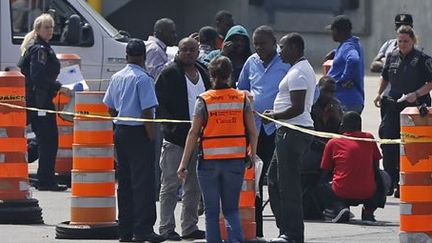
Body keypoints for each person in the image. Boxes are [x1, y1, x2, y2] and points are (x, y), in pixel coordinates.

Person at [177, 56, 258, 243]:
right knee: (231, 210)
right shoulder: (242, 99)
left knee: (212, 212)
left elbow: (193, 133)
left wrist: (183, 163)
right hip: (235, 161)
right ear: (230, 74)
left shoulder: (204, 100)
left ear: (211, 75)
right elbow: (252, 132)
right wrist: (251, 155)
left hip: (209, 163)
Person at [103, 39, 164, 243]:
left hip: (121, 131)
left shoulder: (117, 77)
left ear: (126, 56)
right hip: (139, 132)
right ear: (144, 58)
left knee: (125, 182)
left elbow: (109, 107)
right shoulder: (143, 79)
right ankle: (144, 229)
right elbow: (147, 111)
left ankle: (125, 230)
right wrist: (151, 136)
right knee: (143, 183)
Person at [237, 25, 290, 238]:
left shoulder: (286, 62)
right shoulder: (251, 62)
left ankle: (284, 231)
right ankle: (255, 231)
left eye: (263, 43)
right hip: (255, 130)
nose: (258, 47)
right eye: (255, 43)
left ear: (274, 42)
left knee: (278, 182)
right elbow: (241, 88)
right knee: (255, 183)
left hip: (277, 129)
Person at [155, 37, 209, 241]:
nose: (188, 53)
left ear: (198, 52)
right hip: (175, 140)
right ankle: (166, 227)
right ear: (178, 51)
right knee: (169, 185)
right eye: (184, 49)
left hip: (200, 140)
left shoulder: (203, 72)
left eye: (192, 50)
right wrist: (170, 126)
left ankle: (189, 227)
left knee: (194, 187)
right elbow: (159, 103)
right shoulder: (168, 73)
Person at [263, 33, 315, 243]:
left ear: (294, 47)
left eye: (282, 47)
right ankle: (285, 229)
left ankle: (293, 234)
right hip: (286, 131)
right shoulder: (296, 70)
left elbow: (297, 107)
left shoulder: (299, 72)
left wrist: (273, 116)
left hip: (293, 132)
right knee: (274, 180)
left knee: (289, 184)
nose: (279, 51)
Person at [374, 25, 432, 198]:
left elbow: (430, 82)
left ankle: (408, 181)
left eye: (406, 41)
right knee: (388, 141)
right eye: (400, 41)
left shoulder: (422, 59)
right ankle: (390, 180)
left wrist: (417, 94)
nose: (403, 44)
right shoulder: (391, 56)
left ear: (413, 41)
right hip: (393, 105)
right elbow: (384, 77)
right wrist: (378, 94)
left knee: (411, 145)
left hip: (415, 107)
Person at [18, 13, 68, 191]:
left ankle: (37, 173)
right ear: (38, 29)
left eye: (52, 27)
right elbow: (37, 76)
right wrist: (58, 87)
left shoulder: (43, 47)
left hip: (41, 100)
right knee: (49, 140)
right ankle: (46, 181)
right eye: (46, 27)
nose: (50, 30)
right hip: (39, 102)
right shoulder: (39, 49)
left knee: (43, 140)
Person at [317, 112, 384, 223]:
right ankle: (369, 211)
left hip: (342, 190)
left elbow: (325, 170)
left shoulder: (333, 142)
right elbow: (376, 165)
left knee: (321, 185)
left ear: (343, 125)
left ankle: (339, 207)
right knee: (383, 176)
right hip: (368, 191)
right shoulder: (369, 138)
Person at [145, 17, 178, 201]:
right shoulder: (154, 49)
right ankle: (156, 191)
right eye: (171, 32)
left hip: (157, 108)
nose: (175, 35)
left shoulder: (160, 50)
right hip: (151, 110)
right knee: (156, 154)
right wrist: (176, 63)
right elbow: (157, 76)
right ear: (159, 32)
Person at [370, 14, 414, 120]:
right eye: (399, 25)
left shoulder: (413, 47)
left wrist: (386, 62)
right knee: (386, 130)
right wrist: (389, 63)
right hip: (388, 94)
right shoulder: (389, 44)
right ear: (395, 27)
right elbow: (374, 65)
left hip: (407, 97)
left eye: (406, 25)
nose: (402, 28)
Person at [325, 15, 365, 114]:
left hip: (346, 101)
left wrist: (343, 79)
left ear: (340, 31)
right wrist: (335, 52)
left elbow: (353, 59)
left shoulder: (347, 46)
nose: (331, 34)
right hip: (351, 101)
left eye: (333, 30)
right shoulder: (352, 44)